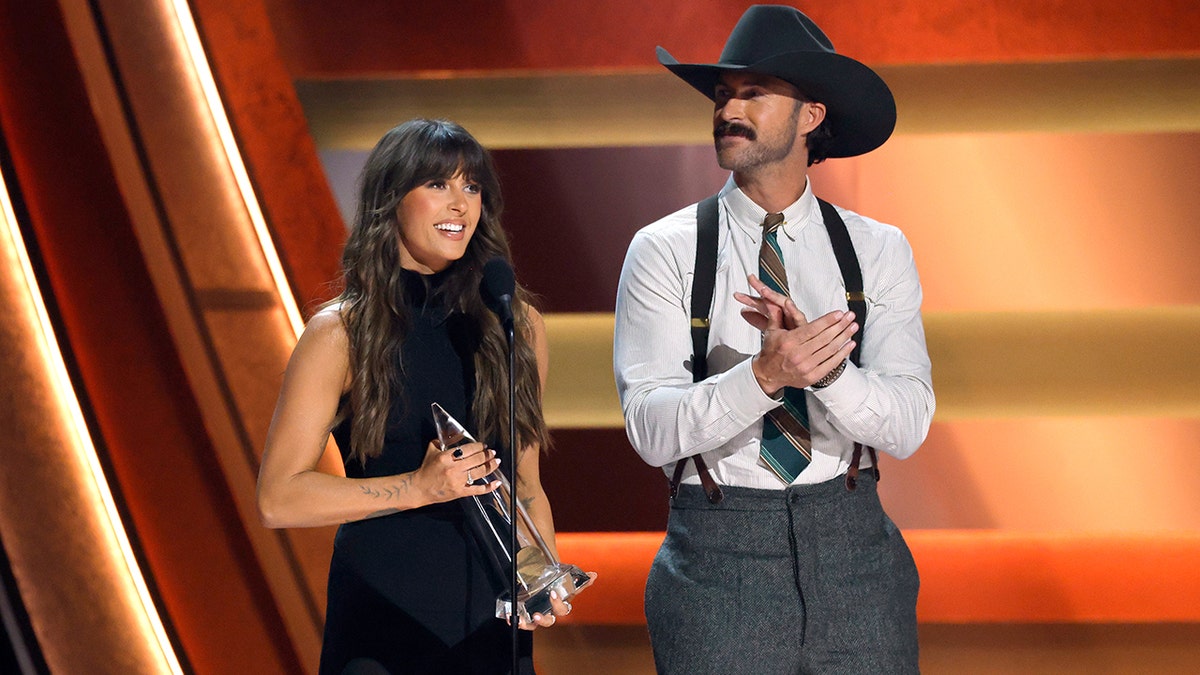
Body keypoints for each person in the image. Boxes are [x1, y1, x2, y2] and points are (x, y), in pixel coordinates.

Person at [613, 5, 935, 674]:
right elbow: (649, 429)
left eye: (753, 92)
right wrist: (761, 376)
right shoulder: (664, 250)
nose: (728, 108)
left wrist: (826, 375)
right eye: (723, 94)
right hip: (715, 561)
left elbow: (907, 424)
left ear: (811, 117)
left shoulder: (877, 250)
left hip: (857, 558)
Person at [257, 118, 583, 674]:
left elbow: (525, 485)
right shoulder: (341, 334)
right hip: (384, 626)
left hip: (490, 630)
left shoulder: (515, 323)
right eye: (437, 185)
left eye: (472, 187)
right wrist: (417, 487)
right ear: (390, 200)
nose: (459, 204)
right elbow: (278, 498)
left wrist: (537, 575)